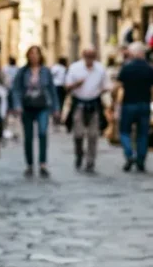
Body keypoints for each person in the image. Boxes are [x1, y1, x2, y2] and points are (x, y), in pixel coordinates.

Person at [9, 46, 60, 178]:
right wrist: (17, 105)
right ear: (28, 56)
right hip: (27, 106)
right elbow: (16, 89)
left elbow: (52, 90)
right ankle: (30, 165)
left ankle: (43, 164)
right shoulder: (22, 71)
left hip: (42, 106)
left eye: (36, 54)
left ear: (40, 56)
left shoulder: (45, 71)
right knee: (28, 137)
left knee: (43, 133)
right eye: (31, 54)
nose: (34, 56)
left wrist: (56, 108)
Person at [116, 41, 153, 172]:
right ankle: (140, 159)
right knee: (143, 134)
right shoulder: (151, 68)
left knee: (124, 132)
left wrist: (116, 103)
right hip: (144, 104)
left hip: (128, 104)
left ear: (133, 53)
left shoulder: (126, 68)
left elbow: (118, 87)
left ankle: (129, 154)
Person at [64, 46, 109, 173]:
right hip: (79, 103)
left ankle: (90, 161)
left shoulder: (100, 69)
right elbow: (67, 86)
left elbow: (106, 85)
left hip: (94, 103)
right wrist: (76, 84)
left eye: (92, 56)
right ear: (83, 56)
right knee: (78, 133)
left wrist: (102, 90)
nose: (90, 58)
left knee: (93, 135)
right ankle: (79, 154)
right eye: (87, 56)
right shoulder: (75, 68)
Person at [50, 57, 69, 124]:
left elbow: (51, 75)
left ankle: (55, 116)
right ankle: (58, 117)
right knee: (60, 102)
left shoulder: (55, 67)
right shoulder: (64, 69)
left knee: (55, 101)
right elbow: (65, 79)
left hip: (55, 86)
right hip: (60, 87)